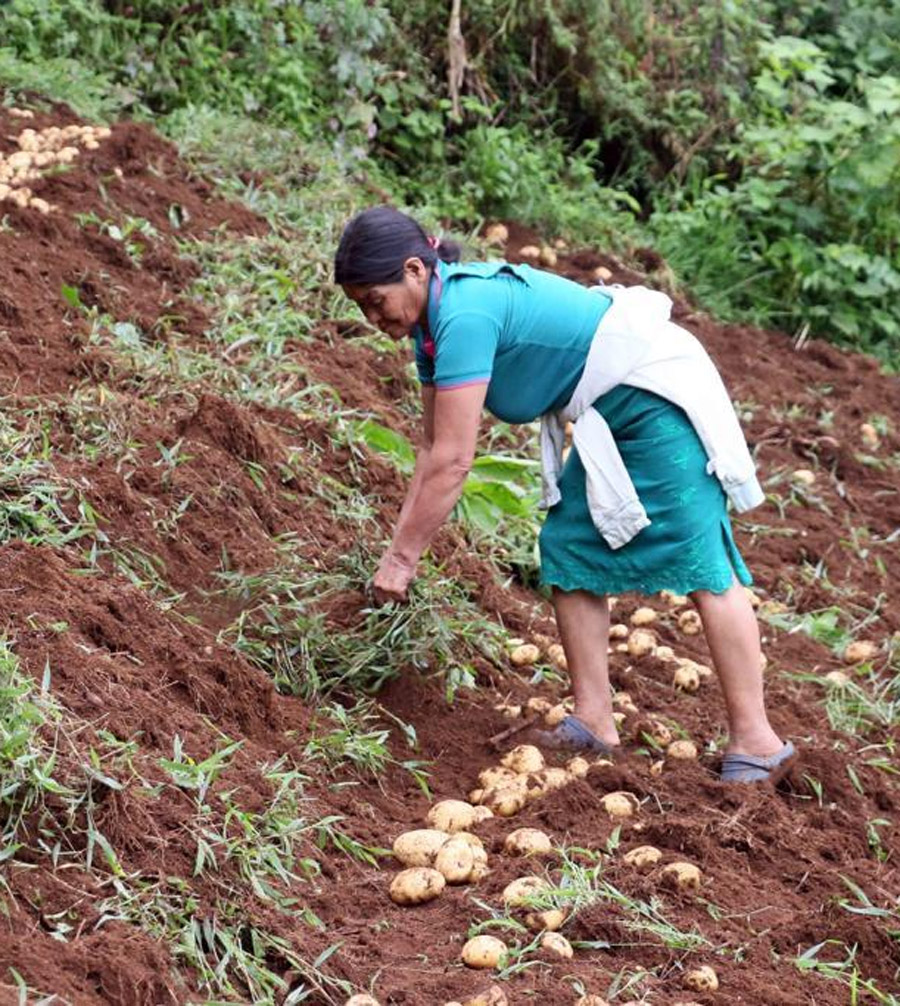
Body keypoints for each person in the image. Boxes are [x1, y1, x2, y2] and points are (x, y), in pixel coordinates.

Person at [334, 205, 795, 784]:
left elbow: (454, 462)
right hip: (609, 409)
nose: (373, 316)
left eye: (375, 300)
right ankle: (595, 722)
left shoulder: (467, 315)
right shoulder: (433, 329)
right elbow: (432, 449)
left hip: (653, 399)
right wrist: (395, 554)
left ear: (414, 270)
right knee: (571, 548)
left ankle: (758, 739)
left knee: (702, 562)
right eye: (361, 307)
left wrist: (401, 561)